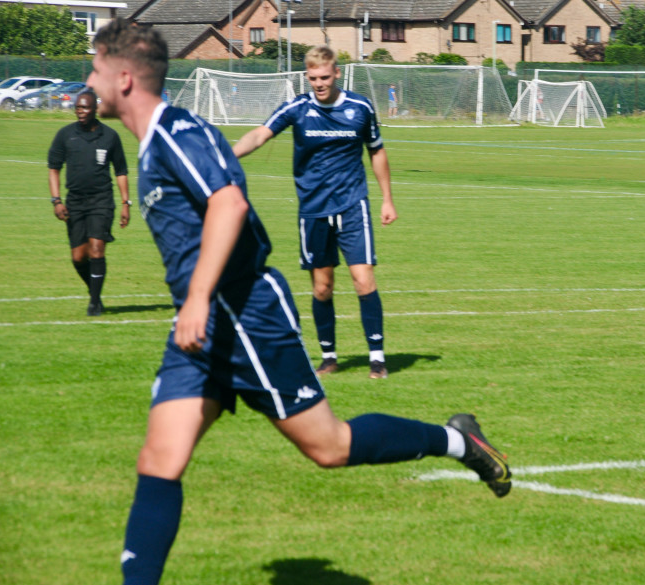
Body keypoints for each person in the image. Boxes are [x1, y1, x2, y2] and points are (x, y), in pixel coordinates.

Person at [87, 19, 511, 585]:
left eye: (93, 69)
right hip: (204, 326)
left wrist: (196, 298)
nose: (88, 82)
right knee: (158, 461)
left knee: (330, 447)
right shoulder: (156, 142)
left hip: (244, 315)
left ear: (122, 77)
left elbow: (229, 205)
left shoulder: (173, 134)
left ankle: (459, 440)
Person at [234, 45, 397, 379]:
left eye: (324, 77)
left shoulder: (360, 107)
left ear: (336, 73)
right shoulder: (298, 107)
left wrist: (387, 199)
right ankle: (329, 357)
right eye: (313, 78)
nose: (319, 83)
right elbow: (260, 135)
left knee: (363, 280)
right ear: (307, 77)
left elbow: (376, 152)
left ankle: (377, 359)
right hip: (313, 210)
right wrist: (225, 156)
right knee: (322, 287)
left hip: (354, 205)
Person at [48, 90, 131, 316]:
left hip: (101, 201)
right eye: (78, 108)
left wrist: (126, 203)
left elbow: (121, 171)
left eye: (85, 108)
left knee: (96, 249)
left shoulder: (110, 136)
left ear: (95, 109)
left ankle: (94, 303)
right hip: (74, 202)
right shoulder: (65, 135)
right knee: (78, 257)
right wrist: (56, 200)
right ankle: (95, 293)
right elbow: (54, 169)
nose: (80, 112)